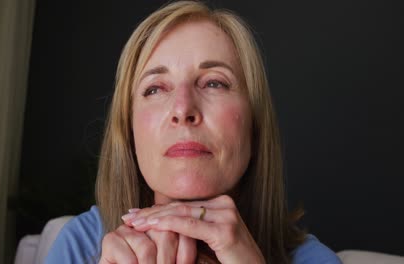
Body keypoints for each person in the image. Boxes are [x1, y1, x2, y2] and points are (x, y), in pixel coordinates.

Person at [45, 1, 342, 263]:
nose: (182, 108)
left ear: (254, 124)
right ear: (129, 130)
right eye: (155, 88)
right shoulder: (81, 244)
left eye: (214, 83)